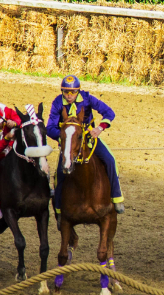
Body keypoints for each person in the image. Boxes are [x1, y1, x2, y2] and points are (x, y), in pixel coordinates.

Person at [47, 75, 126, 214]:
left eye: (72, 92)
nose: (69, 95)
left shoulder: (88, 98)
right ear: (62, 91)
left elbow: (109, 112)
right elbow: (50, 127)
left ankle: (116, 197)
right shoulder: (57, 102)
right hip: (69, 144)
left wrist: (100, 127)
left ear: (78, 91)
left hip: (89, 140)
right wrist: (65, 138)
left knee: (110, 160)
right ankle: (59, 209)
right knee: (60, 173)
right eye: (66, 92)